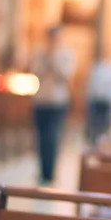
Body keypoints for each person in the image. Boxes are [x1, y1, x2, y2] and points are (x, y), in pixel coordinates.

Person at [30, 25, 76, 184]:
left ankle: (50, 172)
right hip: (41, 99)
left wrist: (54, 58)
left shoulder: (66, 53)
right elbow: (35, 71)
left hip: (58, 101)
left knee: (53, 137)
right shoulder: (39, 52)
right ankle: (42, 170)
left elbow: (66, 74)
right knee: (41, 137)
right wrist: (45, 58)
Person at [85, 55, 111, 144]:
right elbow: (91, 85)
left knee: (105, 127)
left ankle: (102, 143)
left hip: (108, 102)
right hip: (96, 101)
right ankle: (93, 142)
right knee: (94, 126)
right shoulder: (96, 68)